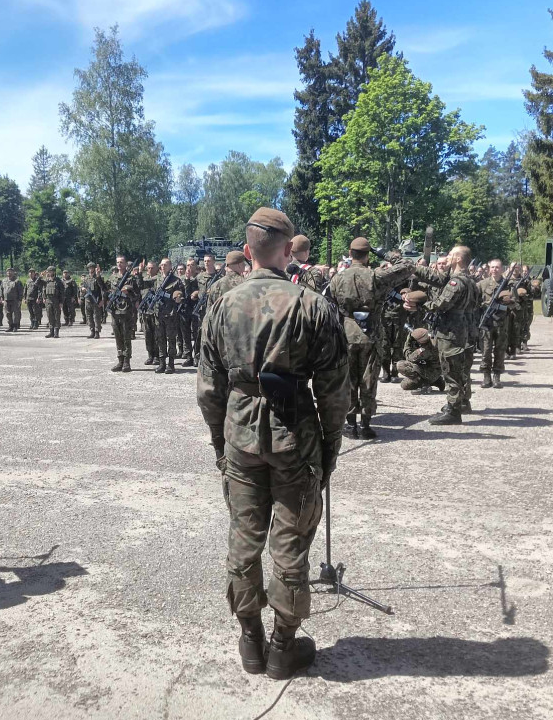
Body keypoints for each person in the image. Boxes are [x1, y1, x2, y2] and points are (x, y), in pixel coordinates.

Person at [197, 207, 349, 680]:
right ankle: (283, 646)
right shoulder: (313, 305)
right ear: (288, 251)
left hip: (241, 437)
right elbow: (335, 392)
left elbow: (207, 390)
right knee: (289, 544)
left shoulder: (222, 305)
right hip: (295, 439)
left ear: (247, 253)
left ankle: (250, 641)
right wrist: (329, 450)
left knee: (245, 539)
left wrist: (221, 445)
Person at [328, 237, 413, 439]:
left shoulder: (338, 278)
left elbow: (331, 301)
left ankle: (350, 425)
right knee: (368, 379)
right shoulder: (376, 276)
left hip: (346, 332)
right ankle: (365, 425)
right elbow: (407, 265)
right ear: (367, 256)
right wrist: (383, 253)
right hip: (371, 332)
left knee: (348, 380)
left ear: (350, 254)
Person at [403, 244, 477, 425]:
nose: (448, 257)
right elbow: (434, 277)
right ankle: (457, 404)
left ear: (459, 259)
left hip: (450, 331)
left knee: (450, 370)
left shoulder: (456, 282)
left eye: (451, 254)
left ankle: (453, 412)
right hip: (458, 329)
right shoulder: (466, 279)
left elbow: (441, 304)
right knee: (455, 369)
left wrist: (419, 304)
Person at [477, 259, 516, 389]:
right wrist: (485, 305)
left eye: (497, 267)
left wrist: (505, 303)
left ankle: (497, 376)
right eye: (492, 267)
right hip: (487, 323)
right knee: (486, 350)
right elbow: (475, 301)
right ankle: (486, 376)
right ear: (489, 269)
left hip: (501, 323)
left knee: (500, 350)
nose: (494, 270)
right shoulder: (482, 284)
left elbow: (515, 303)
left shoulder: (508, 285)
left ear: (502, 269)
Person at [152, 258, 185, 374]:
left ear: (170, 266)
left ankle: (171, 364)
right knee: (160, 339)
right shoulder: (157, 279)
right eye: (161, 265)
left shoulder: (176, 281)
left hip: (170, 313)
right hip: (158, 313)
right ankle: (162, 363)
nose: (163, 267)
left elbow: (181, 295)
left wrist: (176, 296)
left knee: (171, 339)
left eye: (165, 265)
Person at [108, 256, 139, 371]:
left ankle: (127, 362)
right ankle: (120, 360)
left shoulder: (131, 278)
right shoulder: (113, 277)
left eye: (121, 262)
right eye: (118, 262)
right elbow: (105, 289)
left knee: (126, 336)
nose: (119, 264)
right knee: (118, 336)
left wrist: (129, 290)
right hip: (115, 310)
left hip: (126, 310)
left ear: (126, 264)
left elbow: (137, 295)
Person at [395, 327, 443, 394]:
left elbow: (409, 358)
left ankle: (424, 385)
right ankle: (437, 381)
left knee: (401, 365)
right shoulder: (433, 341)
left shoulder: (424, 350)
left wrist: (408, 341)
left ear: (421, 341)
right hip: (433, 371)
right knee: (404, 385)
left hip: (430, 373)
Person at [80, 263, 106, 338]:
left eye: (92, 268)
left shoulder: (98, 278)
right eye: (89, 268)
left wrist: (102, 300)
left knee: (97, 317)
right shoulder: (86, 279)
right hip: (88, 300)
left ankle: (97, 332)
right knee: (88, 316)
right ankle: (92, 331)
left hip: (96, 300)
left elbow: (102, 288)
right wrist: (82, 289)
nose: (91, 269)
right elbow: (81, 286)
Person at [41, 266, 64, 338]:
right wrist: (41, 276)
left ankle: (56, 332)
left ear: (54, 272)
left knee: (57, 316)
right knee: (49, 316)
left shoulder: (58, 281)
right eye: (48, 271)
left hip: (56, 300)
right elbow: (39, 286)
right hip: (48, 301)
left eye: (51, 271)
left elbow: (62, 292)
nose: (49, 273)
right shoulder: (46, 281)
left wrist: (61, 302)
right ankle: (51, 332)